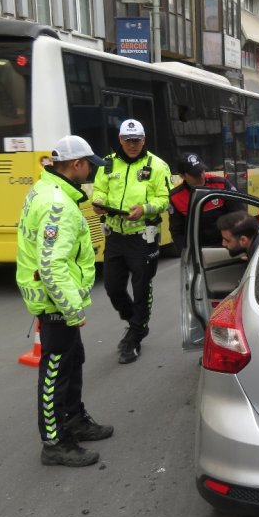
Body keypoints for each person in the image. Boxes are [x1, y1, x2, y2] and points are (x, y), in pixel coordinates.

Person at [16, 135, 113, 467]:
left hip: (56, 299)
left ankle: (74, 420)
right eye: (88, 165)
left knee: (72, 361)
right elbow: (52, 264)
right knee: (55, 372)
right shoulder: (58, 203)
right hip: (55, 302)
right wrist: (72, 309)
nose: (89, 172)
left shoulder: (44, 190)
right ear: (76, 164)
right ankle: (54, 443)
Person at [92, 119, 172, 365]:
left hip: (142, 236)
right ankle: (134, 320)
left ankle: (135, 336)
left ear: (144, 139)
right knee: (113, 287)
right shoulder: (107, 164)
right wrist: (98, 202)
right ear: (120, 140)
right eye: (128, 140)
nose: (132, 144)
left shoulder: (157, 166)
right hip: (115, 235)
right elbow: (99, 190)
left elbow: (164, 199)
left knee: (141, 286)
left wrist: (145, 208)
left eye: (137, 140)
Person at [168, 153, 245, 251]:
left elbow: (240, 214)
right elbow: (177, 231)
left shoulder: (221, 184)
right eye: (195, 174)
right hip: (200, 250)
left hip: (228, 244)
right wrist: (187, 254)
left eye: (201, 171)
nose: (201, 176)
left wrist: (240, 245)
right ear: (182, 176)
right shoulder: (176, 197)